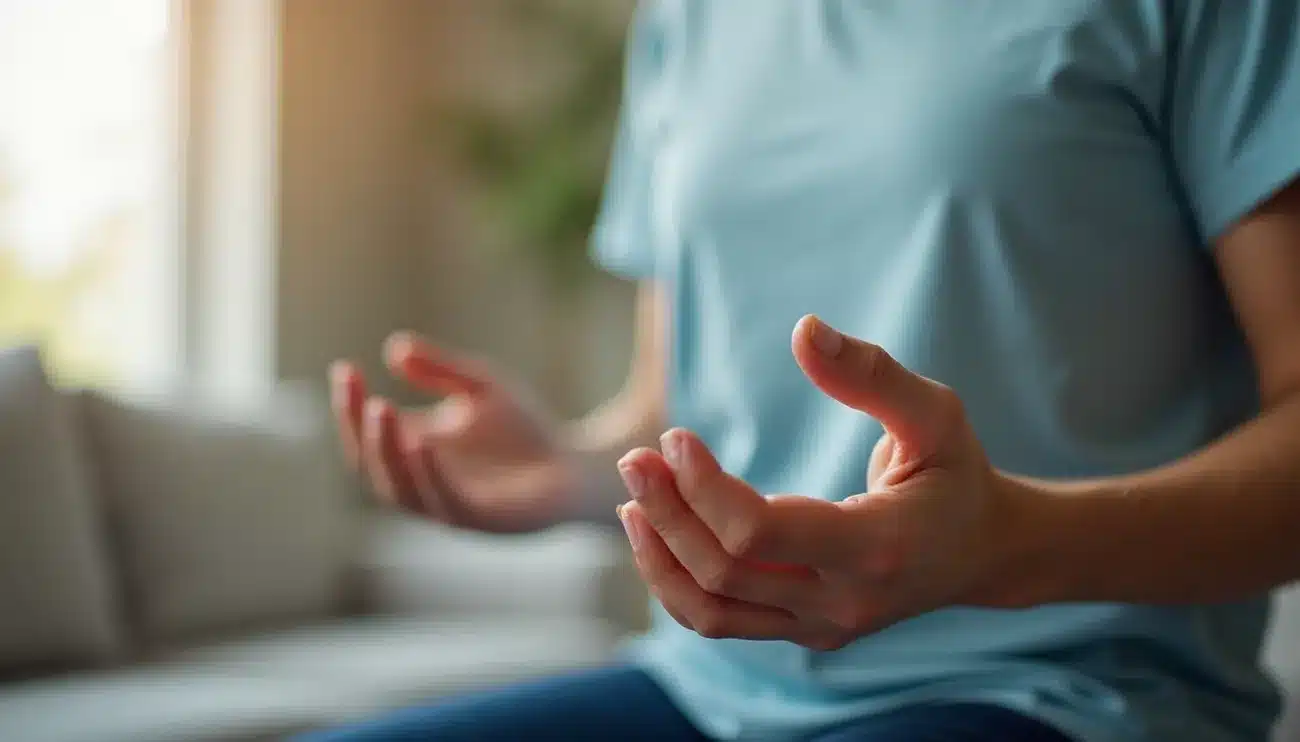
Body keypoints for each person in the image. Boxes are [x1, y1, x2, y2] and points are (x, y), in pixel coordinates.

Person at [304, 2, 1300, 741]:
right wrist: (566, 468)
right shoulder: (690, 17)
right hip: (707, 689)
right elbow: (672, 405)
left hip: (1062, 696)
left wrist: (1006, 544)